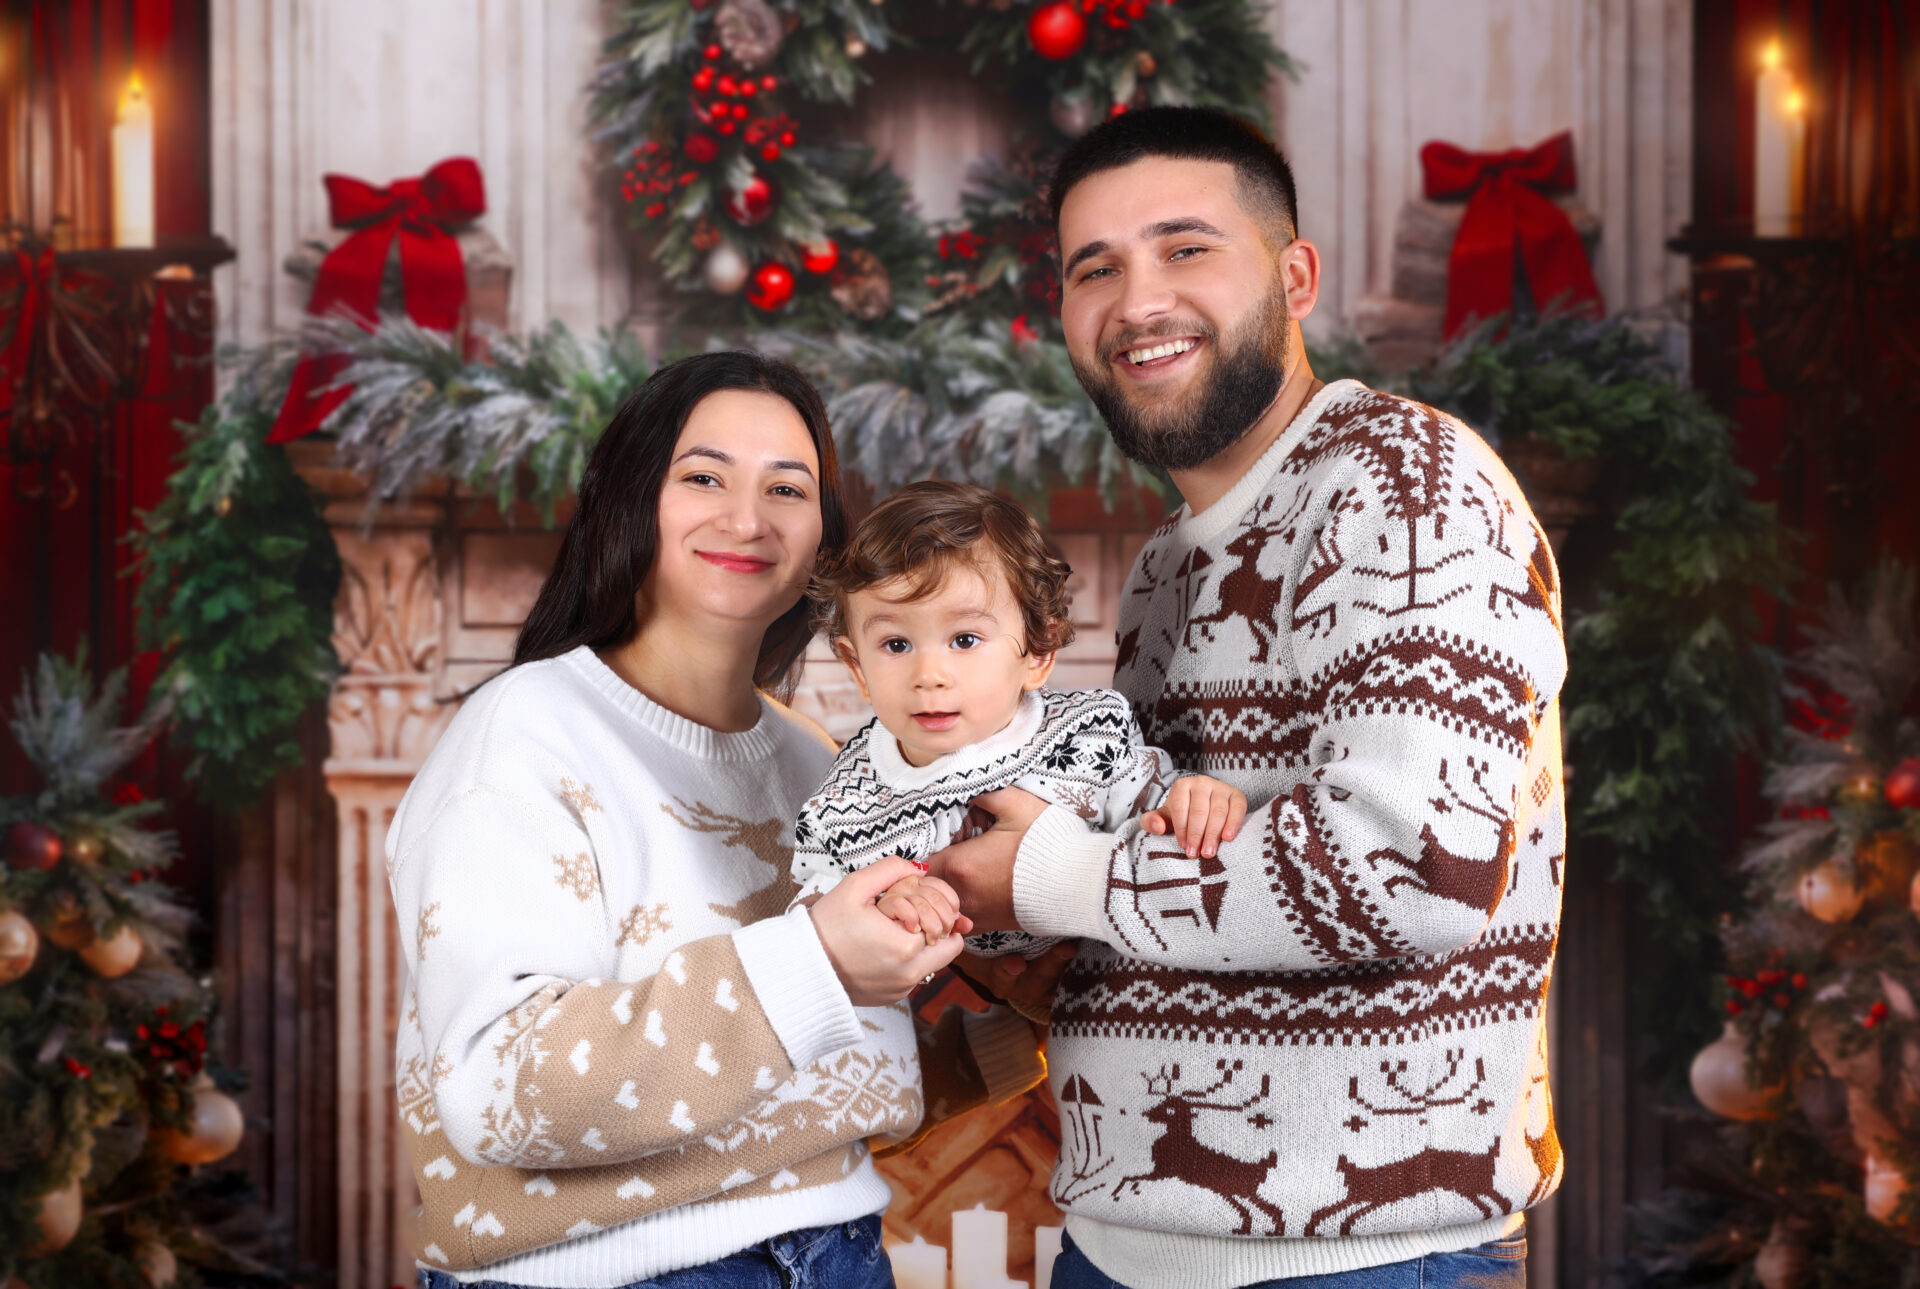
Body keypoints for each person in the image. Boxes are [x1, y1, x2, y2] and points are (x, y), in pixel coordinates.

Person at [931, 107, 1568, 1289]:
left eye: (1185, 248)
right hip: (1121, 1245)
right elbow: (1167, 885)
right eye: (1095, 268)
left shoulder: (1409, 482)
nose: (1137, 302)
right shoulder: (1172, 562)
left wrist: (1050, 872)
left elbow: (1419, 870)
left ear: (1295, 276)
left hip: (1352, 1259)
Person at [388, 352, 1050, 1289]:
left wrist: (1034, 1020)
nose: (747, 519)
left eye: (788, 487)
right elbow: (498, 1090)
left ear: (824, 535)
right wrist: (816, 962)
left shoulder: (819, 762)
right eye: (704, 477)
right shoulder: (520, 738)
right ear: (630, 500)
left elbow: (805, 1095)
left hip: (840, 1256)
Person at [790, 478, 1247, 966]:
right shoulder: (843, 806)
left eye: (964, 640)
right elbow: (811, 924)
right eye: (896, 645)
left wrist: (1192, 799)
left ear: (1038, 653)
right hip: (976, 1002)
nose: (929, 676)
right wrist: (884, 908)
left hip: (1114, 975)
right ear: (856, 666)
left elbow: (1153, 813)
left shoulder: (1086, 734)